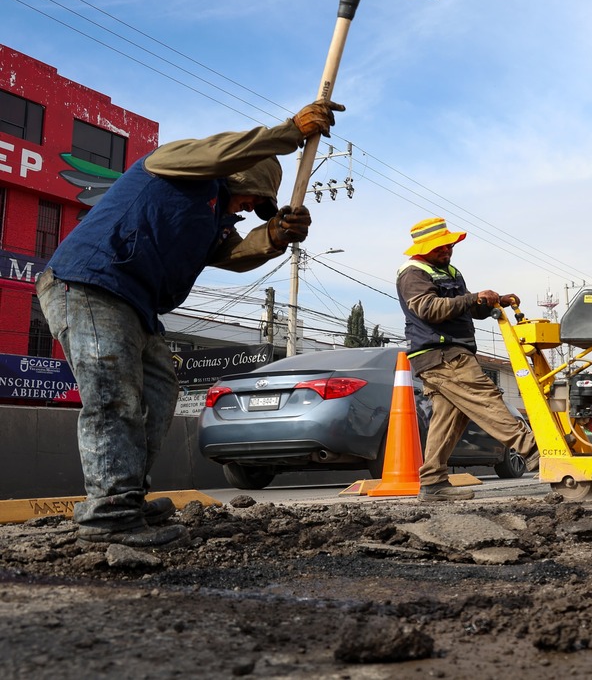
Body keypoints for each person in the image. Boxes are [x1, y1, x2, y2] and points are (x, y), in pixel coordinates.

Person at [36, 101, 342, 547]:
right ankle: (108, 517)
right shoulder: (175, 166)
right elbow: (221, 154)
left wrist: (273, 237)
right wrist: (290, 131)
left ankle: (127, 498)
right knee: (112, 394)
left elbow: (232, 257)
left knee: (159, 394)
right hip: (89, 284)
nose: (253, 207)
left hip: (138, 305)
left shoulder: (215, 220)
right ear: (240, 173)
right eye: (254, 198)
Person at [396, 217, 540, 502]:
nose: (446, 250)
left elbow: (464, 308)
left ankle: (433, 483)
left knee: (449, 419)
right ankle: (538, 454)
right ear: (424, 247)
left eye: (448, 245)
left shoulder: (449, 270)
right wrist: (473, 298)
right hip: (442, 354)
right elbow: (429, 309)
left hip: (449, 353)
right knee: (486, 399)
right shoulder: (413, 273)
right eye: (440, 247)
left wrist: (489, 302)